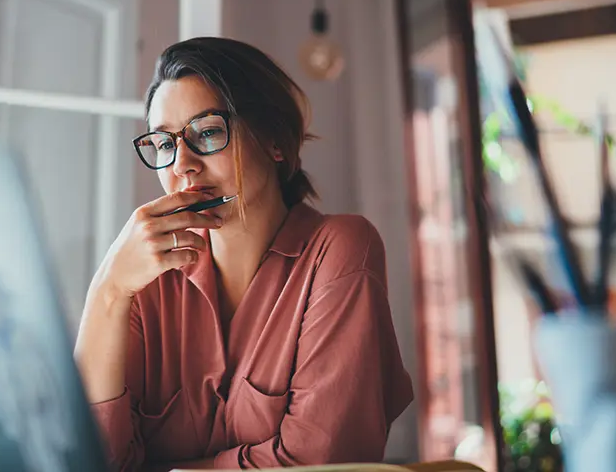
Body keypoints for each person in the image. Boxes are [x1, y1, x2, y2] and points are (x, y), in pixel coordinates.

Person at [74, 37, 413, 472]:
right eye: (163, 144)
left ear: (274, 140)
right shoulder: (144, 279)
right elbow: (91, 459)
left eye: (208, 132)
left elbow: (320, 461)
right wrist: (108, 290)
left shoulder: (339, 249)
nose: (182, 164)